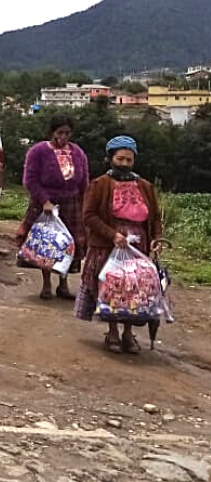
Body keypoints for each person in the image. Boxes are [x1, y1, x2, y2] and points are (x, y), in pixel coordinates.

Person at [74, 136, 166, 354]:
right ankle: (112, 331)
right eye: (120, 158)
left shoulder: (145, 186)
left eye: (129, 160)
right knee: (110, 289)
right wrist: (112, 235)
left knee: (134, 291)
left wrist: (156, 238)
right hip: (107, 247)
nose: (124, 163)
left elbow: (154, 218)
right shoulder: (99, 185)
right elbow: (89, 216)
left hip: (138, 247)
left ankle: (128, 333)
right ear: (110, 158)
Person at [21, 114, 89, 300]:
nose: (64, 137)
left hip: (71, 204)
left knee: (68, 244)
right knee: (48, 244)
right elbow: (30, 180)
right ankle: (46, 284)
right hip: (46, 205)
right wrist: (45, 201)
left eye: (67, 133)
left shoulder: (77, 153)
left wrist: (84, 203)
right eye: (60, 132)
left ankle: (64, 284)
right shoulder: (38, 152)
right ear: (52, 132)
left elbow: (84, 181)